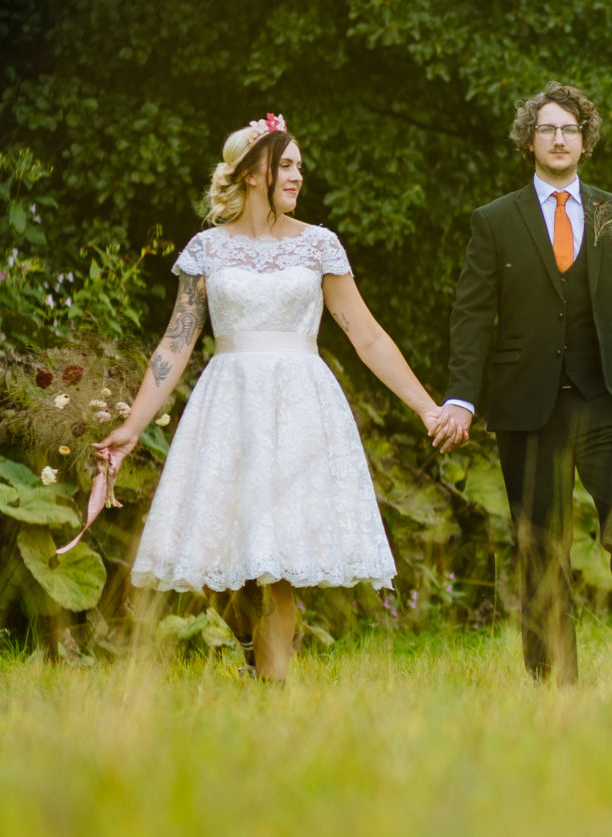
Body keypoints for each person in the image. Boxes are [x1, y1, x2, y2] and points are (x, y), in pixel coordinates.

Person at [94, 114, 462, 680]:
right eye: (284, 165)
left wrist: (426, 407)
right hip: (229, 407)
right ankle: (250, 644)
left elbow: (366, 335)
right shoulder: (207, 250)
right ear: (250, 175)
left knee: (280, 556)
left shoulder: (319, 245)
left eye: (298, 167)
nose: (296, 177)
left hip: (299, 409)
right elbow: (177, 340)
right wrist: (135, 424)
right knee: (222, 552)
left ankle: (273, 686)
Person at [434, 83, 612, 683]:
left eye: (570, 128)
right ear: (530, 140)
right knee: (542, 550)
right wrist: (461, 397)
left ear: (585, 139)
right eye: (547, 128)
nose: (559, 138)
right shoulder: (493, 221)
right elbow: (471, 316)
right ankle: (553, 686)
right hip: (528, 409)